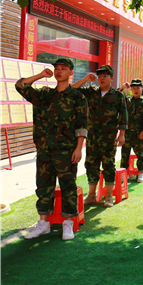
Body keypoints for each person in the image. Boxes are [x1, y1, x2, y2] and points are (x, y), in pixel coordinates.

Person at [16, 59, 88, 240]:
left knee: (68, 187)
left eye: (63, 69)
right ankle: (44, 224)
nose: (58, 71)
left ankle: (68, 223)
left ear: (71, 73)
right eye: (56, 68)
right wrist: (40, 75)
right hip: (44, 150)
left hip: (66, 151)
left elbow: (82, 125)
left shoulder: (78, 98)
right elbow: (21, 85)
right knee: (43, 187)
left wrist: (79, 148)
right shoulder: (44, 95)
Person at [73, 65, 128, 208]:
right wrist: (86, 78)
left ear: (112, 78)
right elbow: (72, 90)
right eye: (100, 76)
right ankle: (91, 194)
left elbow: (123, 116)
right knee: (91, 164)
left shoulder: (118, 95)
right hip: (92, 136)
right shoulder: (91, 92)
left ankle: (108, 195)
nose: (102, 78)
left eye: (105, 76)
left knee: (108, 165)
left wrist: (121, 135)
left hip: (109, 137)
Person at [119, 79, 143, 183]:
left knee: (140, 154)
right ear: (131, 89)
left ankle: (140, 172)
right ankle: (124, 173)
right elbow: (115, 97)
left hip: (138, 133)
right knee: (124, 155)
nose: (136, 90)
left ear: (142, 89)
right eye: (133, 88)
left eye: (138, 88)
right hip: (127, 133)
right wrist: (122, 88)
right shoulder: (127, 101)